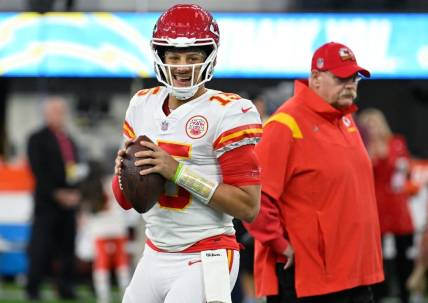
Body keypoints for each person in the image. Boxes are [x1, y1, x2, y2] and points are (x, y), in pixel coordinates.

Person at [111, 4, 262, 303]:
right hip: (154, 252)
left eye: (192, 57)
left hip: (208, 253)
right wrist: (122, 174)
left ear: (209, 59)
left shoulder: (230, 112)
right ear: (161, 57)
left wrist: (177, 171)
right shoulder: (142, 105)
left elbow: (248, 207)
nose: (182, 66)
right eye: (174, 57)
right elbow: (127, 201)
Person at [244, 42, 384, 303]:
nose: (351, 84)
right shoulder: (285, 125)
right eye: (341, 77)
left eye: (354, 77)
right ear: (316, 78)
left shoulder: (344, 118)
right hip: (308, 280)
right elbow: (253, 197)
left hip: (355, 274)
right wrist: (278, 244)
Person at [26, 96, 81, 300]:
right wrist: (57, 193)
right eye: (55, 111)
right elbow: (37, 170)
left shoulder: (69, 139)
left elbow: (75, 170)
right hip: (47, 203)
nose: (59, 115)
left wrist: (75, 193)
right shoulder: (37, 138)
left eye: (61, 111)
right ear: (46, 114)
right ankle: (33, 288)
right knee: (40, 247)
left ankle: (65, 288)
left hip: (69, 204)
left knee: (68, 248)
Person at [358, 108, 415, 303]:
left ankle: (405, 295)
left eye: (376, 122)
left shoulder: (396, 142)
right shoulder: (361, 146)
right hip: (375, 207)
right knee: (376, 258)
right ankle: (378, 295)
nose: (373, 127)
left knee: (404, 255)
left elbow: (405, 167)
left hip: (397, 208)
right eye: (369, 124)